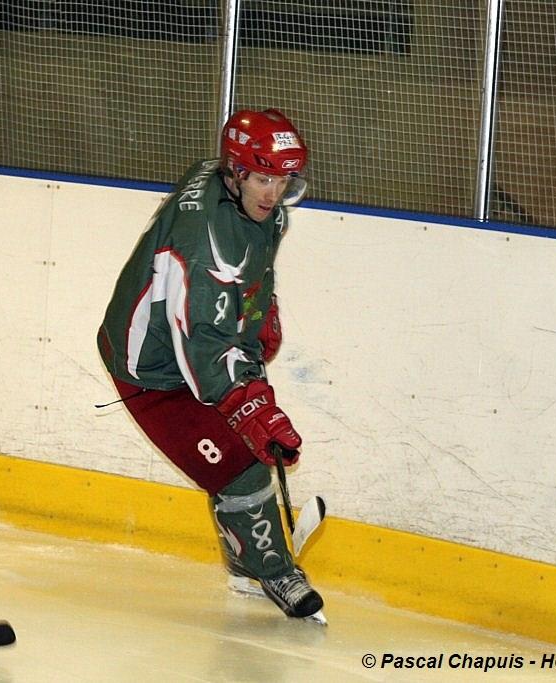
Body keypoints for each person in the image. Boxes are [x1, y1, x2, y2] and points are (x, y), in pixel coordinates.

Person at [97, 109, 324, 621]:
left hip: (185, 344)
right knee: (241, 467)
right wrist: (250, 406)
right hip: (152, 372)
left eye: (282, 180)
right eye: (263, 179)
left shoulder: (232, 189)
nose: (274, 193)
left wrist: (258, 310)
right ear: (236, 172)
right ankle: (273, 570)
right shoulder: (204, 242)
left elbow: (246, 271)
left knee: (240, 449)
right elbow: (204, 346)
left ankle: (245, 563)